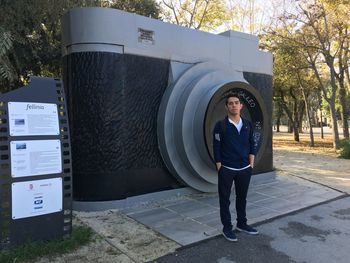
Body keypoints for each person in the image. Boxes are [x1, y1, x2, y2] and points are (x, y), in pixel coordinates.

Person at [213, 93, 258, 242]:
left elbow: (252, 143)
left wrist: (251, 163)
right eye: (230, 103)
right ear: (226, 107)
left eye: (236, 103)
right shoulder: (221, 126)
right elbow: (216, 147)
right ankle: (227, 228)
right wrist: (220, 166)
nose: (234, 105)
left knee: (242, 198)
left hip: (244, 168)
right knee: (224, 199)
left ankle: (242, 224)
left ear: (241, 106)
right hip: (227, 169)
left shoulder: (247, 124)